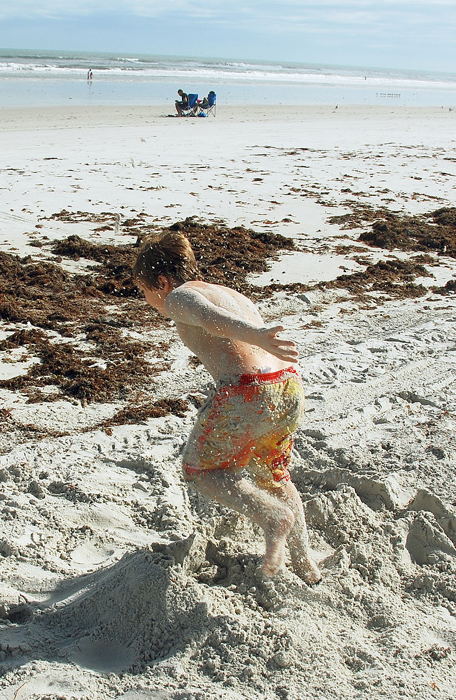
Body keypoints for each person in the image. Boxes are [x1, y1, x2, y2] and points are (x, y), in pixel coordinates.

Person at [133, 232, 320, 583]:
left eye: (145, 291)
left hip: (247, 393)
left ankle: (272, 517)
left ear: (161, 280)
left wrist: (257, 334)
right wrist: (258, 335)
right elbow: (216, 318)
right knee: (275, 476)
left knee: (200, 470)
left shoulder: (178, 297)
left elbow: (207, 317)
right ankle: (305, 563)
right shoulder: (231, 293)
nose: (148, 301)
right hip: (288, 387)